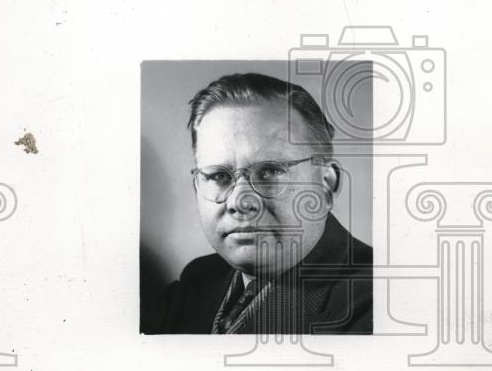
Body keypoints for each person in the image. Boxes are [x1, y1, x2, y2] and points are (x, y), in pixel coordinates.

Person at [149, 72, 372, 335]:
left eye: (269, 172)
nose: (240, 202)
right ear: (197, 185)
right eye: (220, 176)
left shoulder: (383, 303)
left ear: (326, 184)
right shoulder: (198, 280)